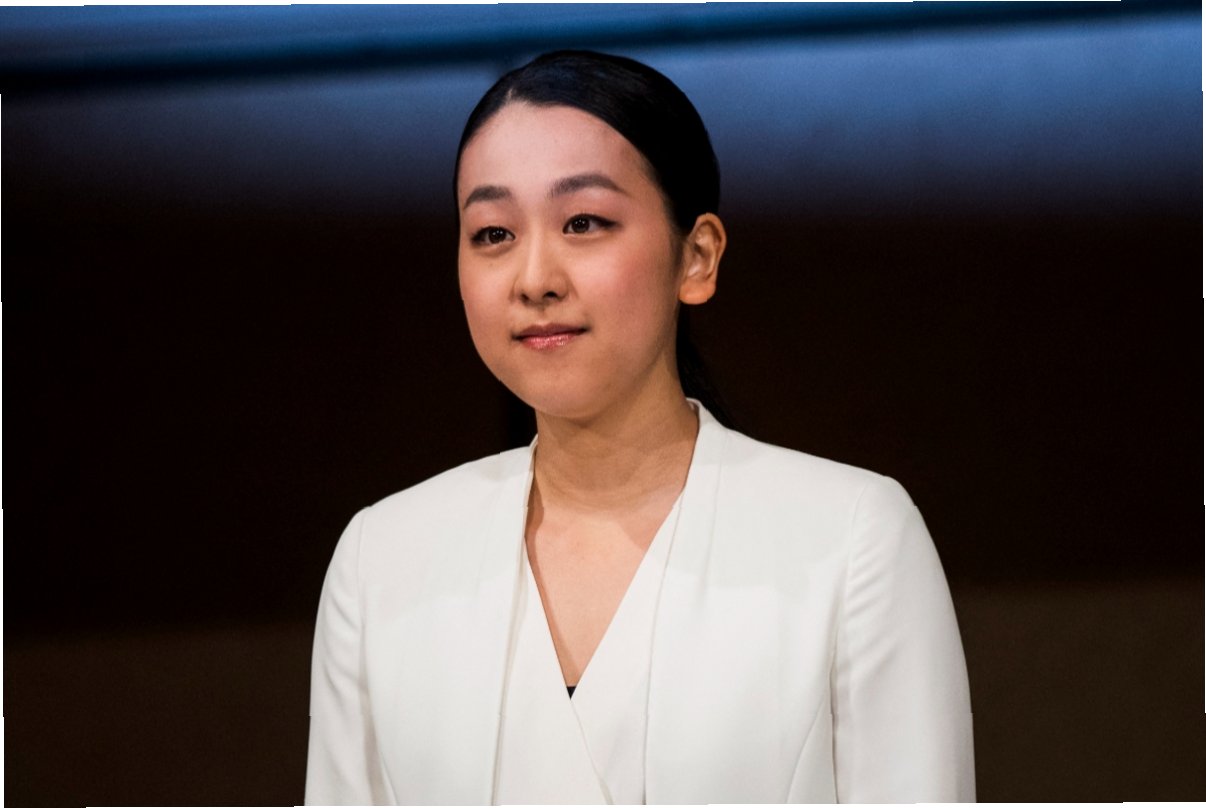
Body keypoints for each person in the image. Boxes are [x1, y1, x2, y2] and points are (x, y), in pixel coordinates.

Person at [305, 50, 974, 805]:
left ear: (697, 257)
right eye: (492, 233)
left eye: (584, 222)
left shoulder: (851, 537)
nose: (535, 279)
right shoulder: (383, 559)